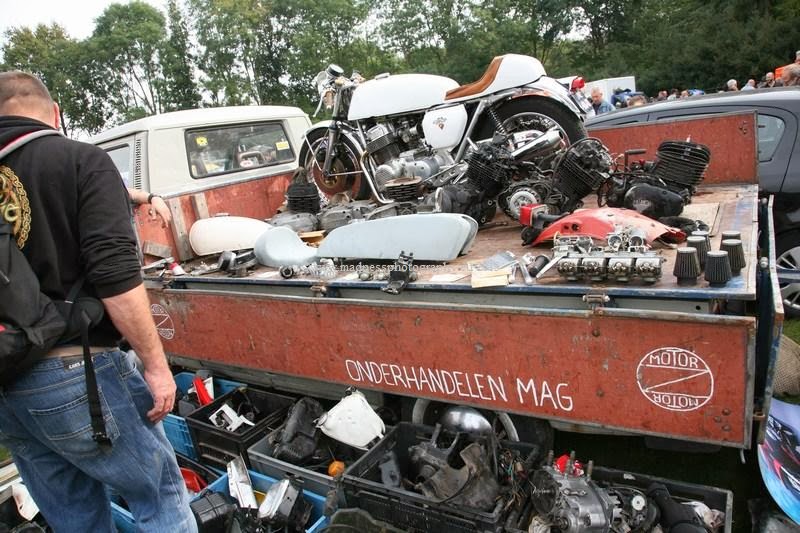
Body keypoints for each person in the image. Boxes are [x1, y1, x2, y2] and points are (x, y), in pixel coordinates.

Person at [0, 71, 196, 532]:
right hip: (73, 372)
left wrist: (137, 194)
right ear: (55, 114)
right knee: (161, 495)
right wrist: (156, 364)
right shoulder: (79, 160)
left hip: (7, 386)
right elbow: (115, 280)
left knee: (75, 518)